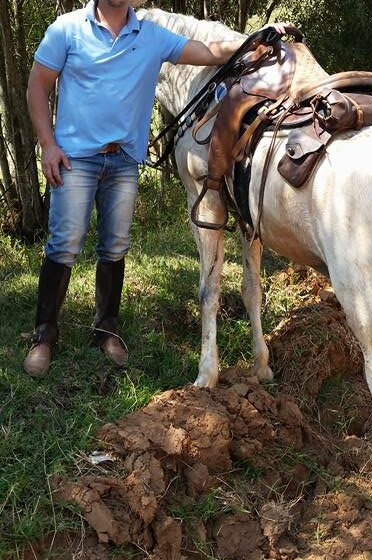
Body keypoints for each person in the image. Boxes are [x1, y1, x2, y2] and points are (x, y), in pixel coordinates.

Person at [24, 0, 286, 376]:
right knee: (64, 242)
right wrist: (48, 145)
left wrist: (257, 39)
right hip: (75, 157)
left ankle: (106, 329)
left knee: (114, 245)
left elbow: (208, 51)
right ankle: (44, 336)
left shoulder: (151, 36)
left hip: (124, 160)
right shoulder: (66, 29)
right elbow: (37, 85)